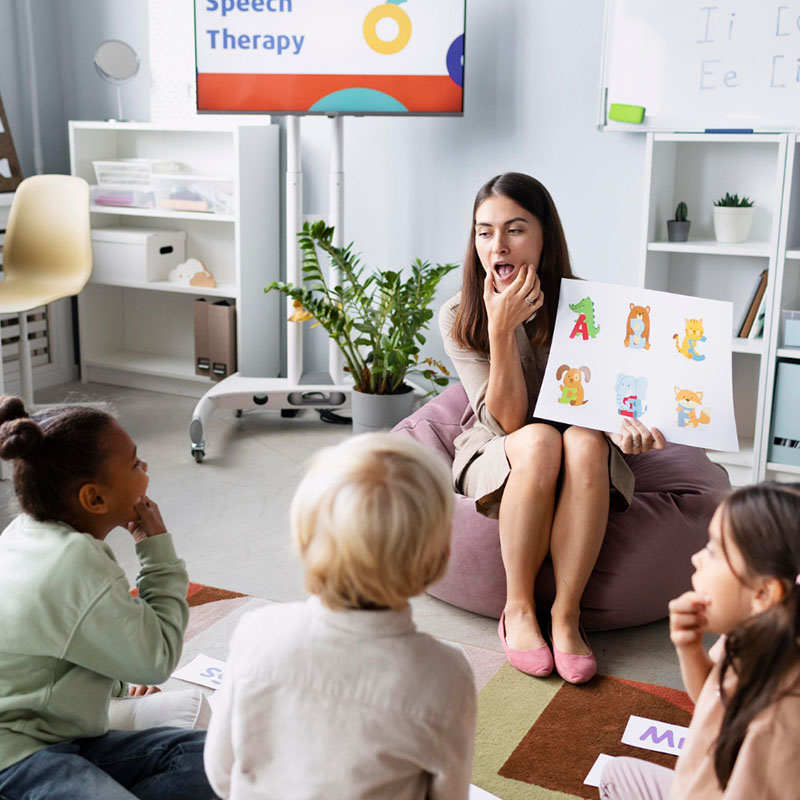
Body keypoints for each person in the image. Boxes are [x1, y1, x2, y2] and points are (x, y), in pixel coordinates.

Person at [439, 172, 665, 683]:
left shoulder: (590, 306)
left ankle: (566, 614)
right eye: (484, 231)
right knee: (540, 439)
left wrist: (627, 427)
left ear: (545, 238)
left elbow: (606, 402)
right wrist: (500, 329)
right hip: (501, 445)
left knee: (583, 439)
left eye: (515, 230)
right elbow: (508, 424)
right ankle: (517, 609)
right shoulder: (458, 314)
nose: (497, 246)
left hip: (578, 438)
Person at [204, 433, 477, 799]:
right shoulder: (445, 674)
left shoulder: (257, 632)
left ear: (302, 539)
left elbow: (222, 773)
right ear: (438, 561)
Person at [0, 396, 215, 800]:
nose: (145, 468)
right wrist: (157, 551)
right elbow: (158, 659)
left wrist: (114, 682)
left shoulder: (25, 531)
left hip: (60, 738)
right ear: (94, 499)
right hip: (16, 760)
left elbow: (59, 634)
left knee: (209, 758)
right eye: (134, 464)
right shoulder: (77, 560)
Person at [599, 482, 800, 799]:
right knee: (615, 774)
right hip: (700, 783)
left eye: (714, 551)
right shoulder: (752, 632)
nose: (696, 558)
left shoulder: (778, 725)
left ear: (764, 594)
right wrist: (690, 649)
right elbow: (712, 699)